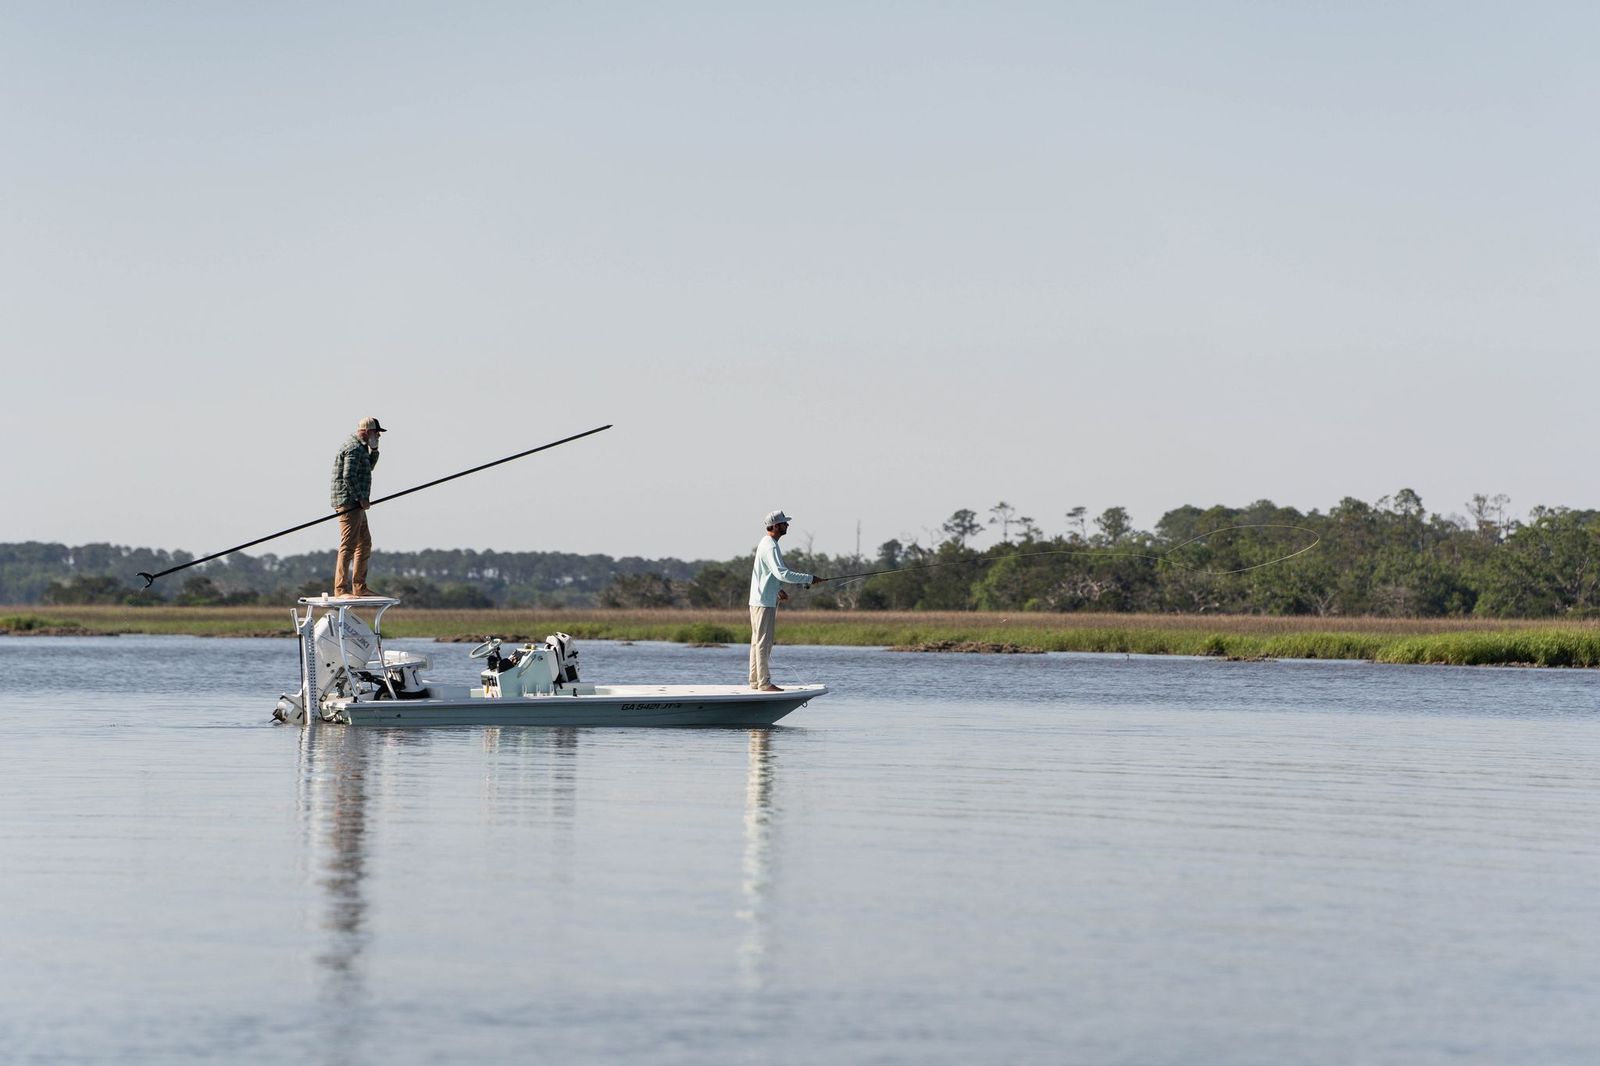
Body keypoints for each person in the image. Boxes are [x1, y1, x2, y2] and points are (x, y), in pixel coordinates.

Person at [749, 510, 826, 691]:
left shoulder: (766, 543)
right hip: (763, 602)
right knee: (763, 643)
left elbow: (768, 574)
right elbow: (782, 573)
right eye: (784, 523)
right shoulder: (771, 546)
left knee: (757, 641)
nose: (787, 526)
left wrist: (777, 589)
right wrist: (809, 578)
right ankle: (764, 683)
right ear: (775, 526)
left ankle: (755, 681)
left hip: (760, 599)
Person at [330, 416, 386, 598]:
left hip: (357, 503)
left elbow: (368, 467)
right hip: (349, 502)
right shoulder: (353, 448)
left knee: (365, 543)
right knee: (348, 545)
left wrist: (374, 450)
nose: (378, 435)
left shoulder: (361, 447)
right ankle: (340, 590)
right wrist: (361, 498)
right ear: (367, 431)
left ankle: (359, 587)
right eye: (376, 433)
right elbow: (348, 477)